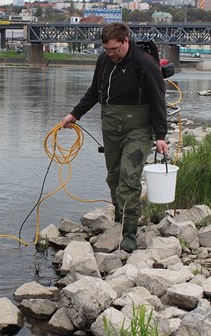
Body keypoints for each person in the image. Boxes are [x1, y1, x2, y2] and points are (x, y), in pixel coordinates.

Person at [61, 23, 168, 253]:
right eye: (106, 50)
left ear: (126, 41)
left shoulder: (144, 63)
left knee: (129, 178)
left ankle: (129, 233)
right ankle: (120, 220)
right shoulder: (104, 61)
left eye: (115, 50)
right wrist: (75, 114)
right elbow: (94, 91)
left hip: (138, 128)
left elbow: (159, 99)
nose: (111, 54)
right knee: (114, 177)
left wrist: (160, 135)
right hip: (110, 126)